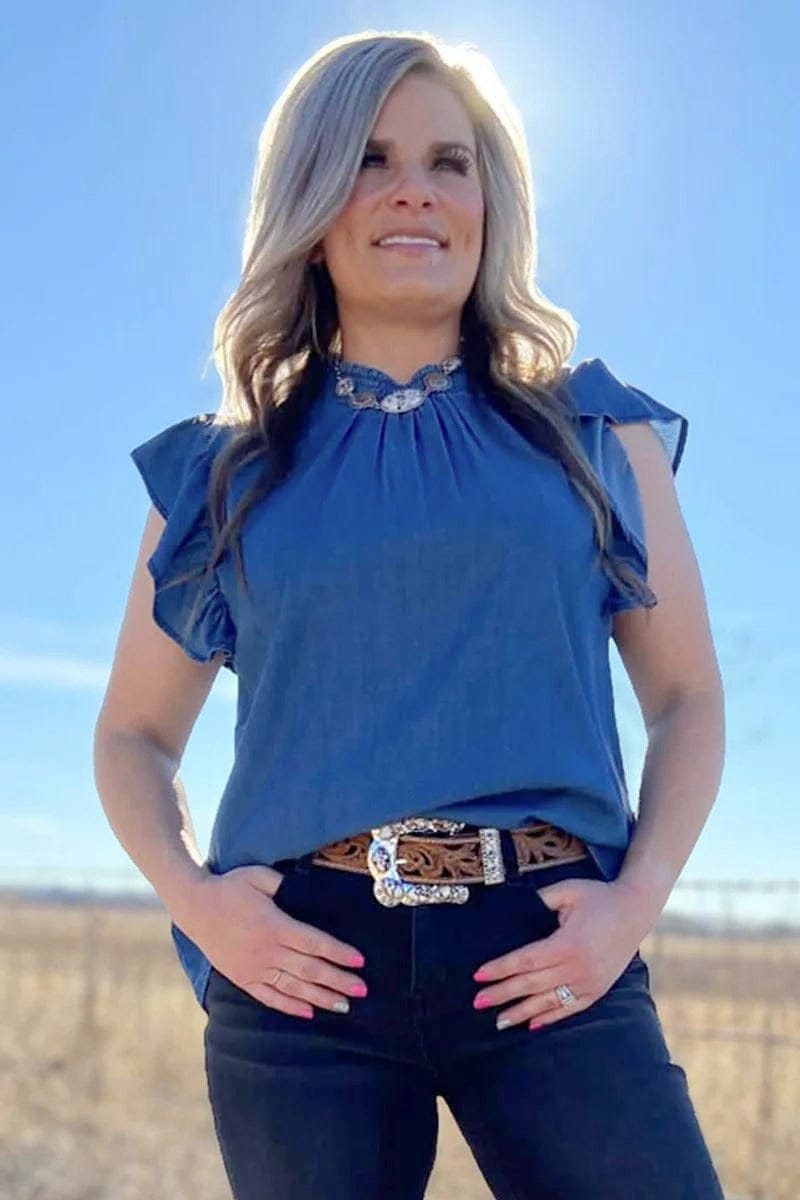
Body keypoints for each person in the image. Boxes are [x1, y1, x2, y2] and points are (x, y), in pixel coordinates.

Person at [94, 30, 727, 1200]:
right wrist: (202, 907)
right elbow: (132, 737)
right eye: (369, 159)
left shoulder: (593, 437)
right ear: (308, 205)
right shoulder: (220, 473)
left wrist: (630, 907)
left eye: (449, 162)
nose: (413, 191)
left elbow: (685, 699)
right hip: (304, 971)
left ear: (489, 201)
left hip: (548, 948)